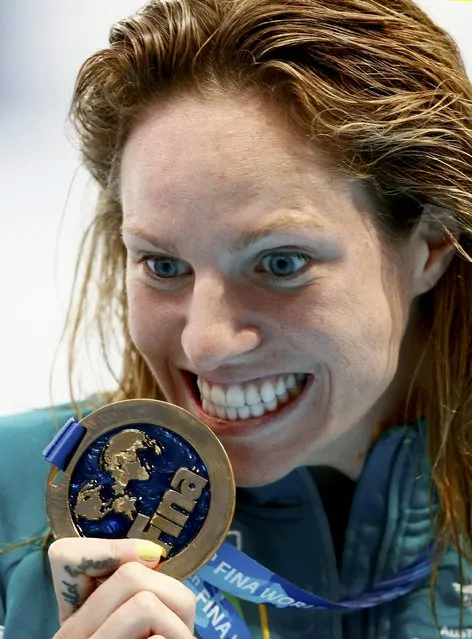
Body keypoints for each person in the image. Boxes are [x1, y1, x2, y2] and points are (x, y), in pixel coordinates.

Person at [1, 0, 471, 637]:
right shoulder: (12, 498)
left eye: (280, 263)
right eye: (163, 265)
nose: (207, 343)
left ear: (432, 245)